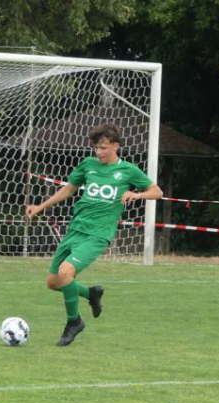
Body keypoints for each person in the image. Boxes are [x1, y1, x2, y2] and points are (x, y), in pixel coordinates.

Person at [26, 123, 163, 346]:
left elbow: (157, 192)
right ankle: (91, 294)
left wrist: (135, 195)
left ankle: (74, 322)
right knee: (53, 283)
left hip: (98, 234)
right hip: (76, 229)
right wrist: (41, 206)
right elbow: (68, 189)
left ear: (116, 146)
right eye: (96, 148)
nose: (99, 152)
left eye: (104, 148)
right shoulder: (88, 165)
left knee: (65, 272)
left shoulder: (128, 170)